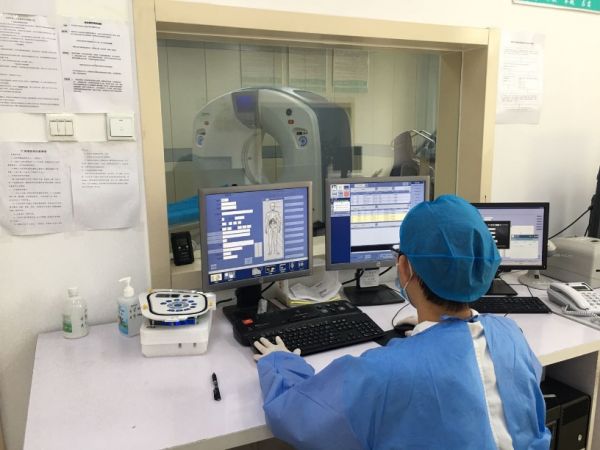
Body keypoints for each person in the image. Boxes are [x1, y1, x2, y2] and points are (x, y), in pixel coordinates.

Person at [253, 195, 551, 450]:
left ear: (405, 267)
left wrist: (279, 363)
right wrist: (434, 336)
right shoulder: (511, 336)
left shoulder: (383, 371)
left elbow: (296, 416)